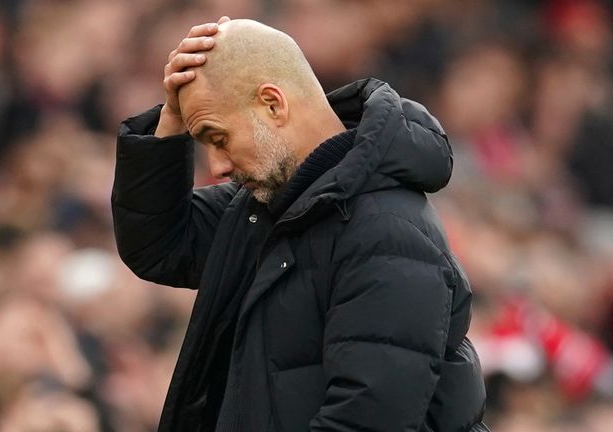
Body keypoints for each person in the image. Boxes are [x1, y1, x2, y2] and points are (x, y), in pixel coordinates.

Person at [112, 17, 489, 432]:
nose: (217, 167)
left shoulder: (387, 233)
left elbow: (364, 423)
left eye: (217, 138)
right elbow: (159, 246)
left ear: (273, 104)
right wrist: (169, 123)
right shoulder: (268, 205)